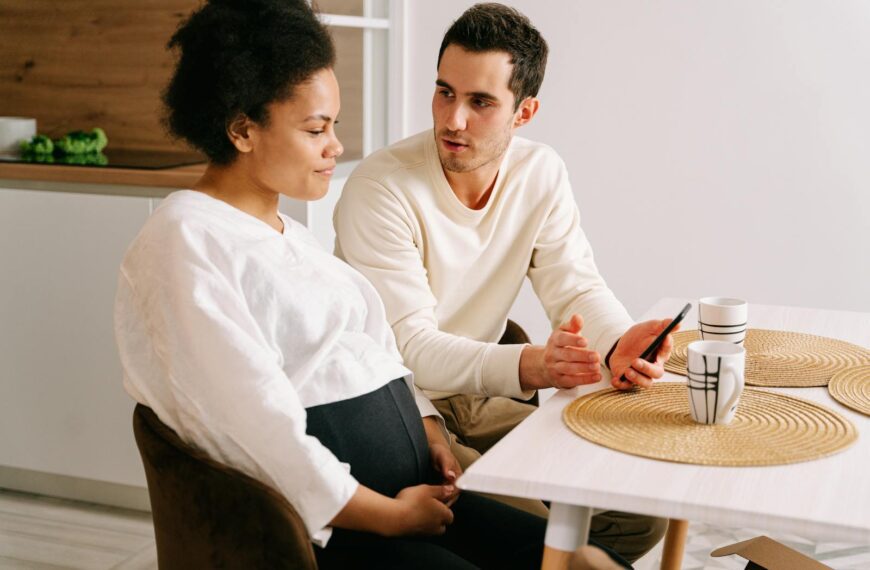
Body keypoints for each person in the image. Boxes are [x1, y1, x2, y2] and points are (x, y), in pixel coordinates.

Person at [113, 0, 631, 567]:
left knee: (582, 560)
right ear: (242, 129)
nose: (336, 146)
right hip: (347, 527)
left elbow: (373, 354)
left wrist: (428, 426)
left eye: (333, 124)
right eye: (317, 129)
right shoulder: (186, 239)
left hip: (413, 488)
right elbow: (254, 425)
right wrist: (388, 516)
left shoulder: (289, 236)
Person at [334, 2, 674, 564]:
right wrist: (533, 365)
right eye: (445, 92)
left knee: (636, 513)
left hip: (480, 396)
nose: (453, 119)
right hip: (402, 406)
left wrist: (619, 344)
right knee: (544, 535)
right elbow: (410, 349)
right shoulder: (383, 188)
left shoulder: (540, 173)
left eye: (480, 102)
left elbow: (576, 286)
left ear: (525, 111)